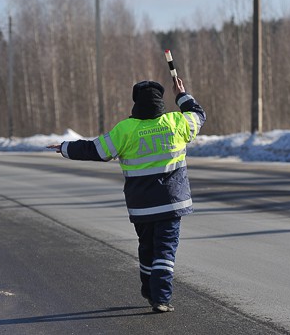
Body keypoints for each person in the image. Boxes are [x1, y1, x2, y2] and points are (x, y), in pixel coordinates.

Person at [47, 76, 206, 313]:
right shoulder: (176, 122)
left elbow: (95, 150)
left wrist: (66, 148)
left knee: (147, 248)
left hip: (141, 206)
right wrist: (181, 94)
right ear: (160, 100)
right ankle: (160, 297)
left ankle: (149, 289)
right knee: (165, 250)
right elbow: (197, 115)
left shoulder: (125, 129)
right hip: (172, 204)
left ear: (136, 102)